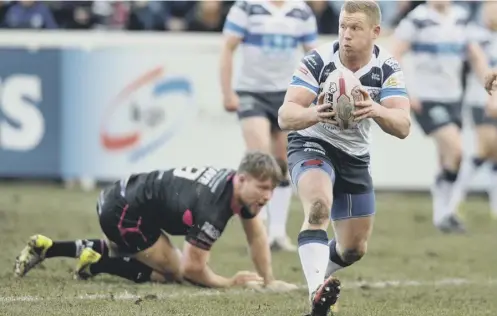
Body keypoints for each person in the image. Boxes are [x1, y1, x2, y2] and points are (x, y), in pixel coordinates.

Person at [278, 1, 411, 315]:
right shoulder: (318, 60)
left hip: (354, 156)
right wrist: (313, 113)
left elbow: (403, 126)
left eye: (355, 28)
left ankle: (320, 276)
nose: (346, 35)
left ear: (375, 32)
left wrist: (376, 109)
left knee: (353, 249)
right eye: (343, 27)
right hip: (312, 143)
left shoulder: (387, 68)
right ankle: (315, 295)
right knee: (318, 208)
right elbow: (286, 115)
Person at [14, 151, 296, 291]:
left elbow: (257, 236)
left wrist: (269, 280)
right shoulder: (214, 206)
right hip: (123, 210)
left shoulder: (238, 190)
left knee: (146, 254)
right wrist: (229, 282)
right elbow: (193, 268)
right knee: (173, 272)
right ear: (243, 179)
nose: (268, 196)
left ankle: (48, 248)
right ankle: (99, 264)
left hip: (126, 199)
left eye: (272, 189)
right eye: (263, 187)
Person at [220, 0, 318, 251]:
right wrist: (227, 92)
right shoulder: (246, 7)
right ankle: (258, 229)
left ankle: (277, 233)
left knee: (282, 163)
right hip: (252, 92)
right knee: (260, 158)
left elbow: (314, 56)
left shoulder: (301, 11)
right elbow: (227, 48)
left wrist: (315, 93)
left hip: (288, 94)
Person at [391, 0, 491, 233]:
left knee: (449, 159)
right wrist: (405, 89)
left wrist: (489, 83)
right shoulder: (417, 18)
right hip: (425, 98)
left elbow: (475, 56)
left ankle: (442, 216)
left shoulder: (460, 17)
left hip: (454, 96)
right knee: (456, 149)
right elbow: (395, 53)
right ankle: (446, 210)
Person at [449, 1, 497, 219]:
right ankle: (455, 198)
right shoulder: (476, 35)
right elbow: (477, 65)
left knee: (493, 153)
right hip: (482, 99)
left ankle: (492, 206)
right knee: (486, 148)